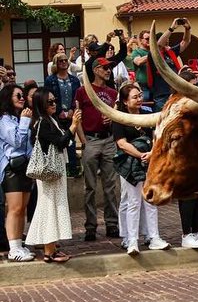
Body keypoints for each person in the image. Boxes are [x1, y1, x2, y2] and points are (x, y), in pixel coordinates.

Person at [112, 81, 169, 255]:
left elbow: (156, 136)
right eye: (135, 97)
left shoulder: (148, 114)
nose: (139, 100)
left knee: (150, 200)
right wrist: (139, 154)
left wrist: (152, 153)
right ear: (125, 101)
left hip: (149, 162)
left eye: (140, 96)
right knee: (133, 202)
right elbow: (121, 143)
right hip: (129, 165)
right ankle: (132, 240)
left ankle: (154, 237)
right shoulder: (119, 119)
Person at [73, 56, 122, 241]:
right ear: (95, 70)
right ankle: (91, 226)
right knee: (90, 187)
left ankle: (112, 224)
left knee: (110, 185)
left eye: (109, 68)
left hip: (108, 140)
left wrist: (113, 120)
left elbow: (119, 115)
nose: (108, 70)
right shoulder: (82, 91)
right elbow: (77, 117)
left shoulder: (112, 93)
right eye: (105, 68)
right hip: (91, 140)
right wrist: (83, 140)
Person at [26, 89, 77, 262]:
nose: (54, 103)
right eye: (49, 102)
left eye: (54, 100)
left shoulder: (50, 120)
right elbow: (61, 142)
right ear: (41, 104)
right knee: (49, 208)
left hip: (54, 172)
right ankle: (49, 251)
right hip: (49, 173)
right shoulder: (43, 123)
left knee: (52, 207)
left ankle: (52, 248)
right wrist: (74, 126)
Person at [0, 84, 34, 261]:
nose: (22, 98)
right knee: (14, 208)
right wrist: (25, 121)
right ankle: (13, 248)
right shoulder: (4, 120)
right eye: (18, 95)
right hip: (11, 169)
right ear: (8, 99)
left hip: (25, 168)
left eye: (22, 95)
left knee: (22, 209)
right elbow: (17, 141)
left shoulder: (18, 118)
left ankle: (19, 245)